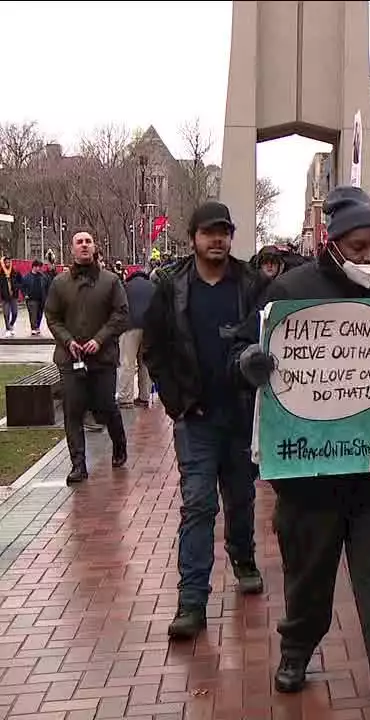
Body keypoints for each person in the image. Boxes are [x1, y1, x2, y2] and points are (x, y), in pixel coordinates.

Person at [235, 188, 370, 720]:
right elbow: (238, 354)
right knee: (309, 583)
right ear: (332, 246)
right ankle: (296, 648)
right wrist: (248, 361)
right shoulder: (287, 292)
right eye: (359, 246)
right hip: (308, 478)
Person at [143, 202, 270, 639]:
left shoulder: (253, 284)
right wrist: (177, 402)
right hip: (195, 418)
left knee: (241, 498)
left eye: (224, 232)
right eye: (209, 232)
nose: (217, 239)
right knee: (198, 504)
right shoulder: (171, 287)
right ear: (193, 237)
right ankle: (191, 601)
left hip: (241, 412)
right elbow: (154, 347)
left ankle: (244, 557)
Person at [43, 230, 129, 483]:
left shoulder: (111, 281)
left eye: (88, 242)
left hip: (102, 359)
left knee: (106, 406)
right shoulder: (59, 283)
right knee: (73, 411)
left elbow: (121, 314)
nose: (83, 245)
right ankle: (78, 464)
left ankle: (120, 445)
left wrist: (99, 339)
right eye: (79, 242)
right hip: (70, 360)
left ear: (94, 247)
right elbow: (52, 317)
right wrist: (68, 340)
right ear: (72, 249)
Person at [117, 268, 155, 407]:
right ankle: (144, 397)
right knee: (145, 363)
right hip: (150, 328)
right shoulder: (153, 287)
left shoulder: (126, 287)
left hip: (130, 326)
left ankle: (125, 398)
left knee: (127, 362)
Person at [20, 261, 49, 336]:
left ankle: (37, 327)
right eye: (38, 267)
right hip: (31, 299)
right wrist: (25, 294)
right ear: (34, 267)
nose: (39, 268)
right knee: (33, 314)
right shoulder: (27, 277)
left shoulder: (43, 276)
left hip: (41, 298)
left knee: (39, 314)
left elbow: (46, 286)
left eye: (40, 267)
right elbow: (23, 287)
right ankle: (33, 328)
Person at [0, 257, 23, 337]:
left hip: (14, 296)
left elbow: (21, 281)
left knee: (15, 313)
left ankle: (11, 324)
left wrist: (17, 287)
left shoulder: (15, 272)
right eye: (5, 262)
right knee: (6, 314)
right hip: (5, 297)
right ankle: (8, 329)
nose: (7, 264)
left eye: (8, 262)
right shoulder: (1, 272)